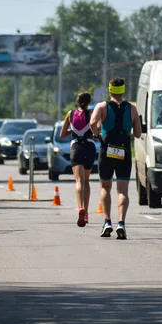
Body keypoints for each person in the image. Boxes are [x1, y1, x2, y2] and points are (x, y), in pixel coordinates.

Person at [90, 78, 142, 240]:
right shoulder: (132, 109)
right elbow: (138, 134)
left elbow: (92, 123)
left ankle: (107, 222)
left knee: (105, 186)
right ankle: (121, 223)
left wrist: (97, 135)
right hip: (124, 151)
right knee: (123, 190)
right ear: (123, 91)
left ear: (110, 90)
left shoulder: (102, 106)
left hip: (107, 150)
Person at [59, 92, 95, 227]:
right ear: (89, 102)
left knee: (79, 181)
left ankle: (80, 207)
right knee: (86, 180)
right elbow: (95, 130)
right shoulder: (91, 114)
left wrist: (72, 131)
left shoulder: (70, 113)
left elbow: (62, 134)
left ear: (77, 101)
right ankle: (86, 212)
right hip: (89, 148)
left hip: (76, 148)